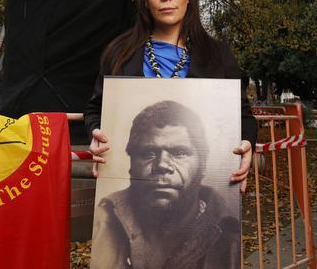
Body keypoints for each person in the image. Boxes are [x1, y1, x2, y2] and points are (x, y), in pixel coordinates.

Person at [84, 0, 257, 190]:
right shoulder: (119, 52)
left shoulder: (218, 54)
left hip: (201, 193)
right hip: (132, 186)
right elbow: (95, 108)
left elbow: (242, 115)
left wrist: (248, 143)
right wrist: (95, 132)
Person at [91, 101, 240, 269]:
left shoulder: (228, 231)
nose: (162, 164)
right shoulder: (107, 218)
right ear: (131, 164)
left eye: (180, 153)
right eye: (149, 153)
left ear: (202, 164)